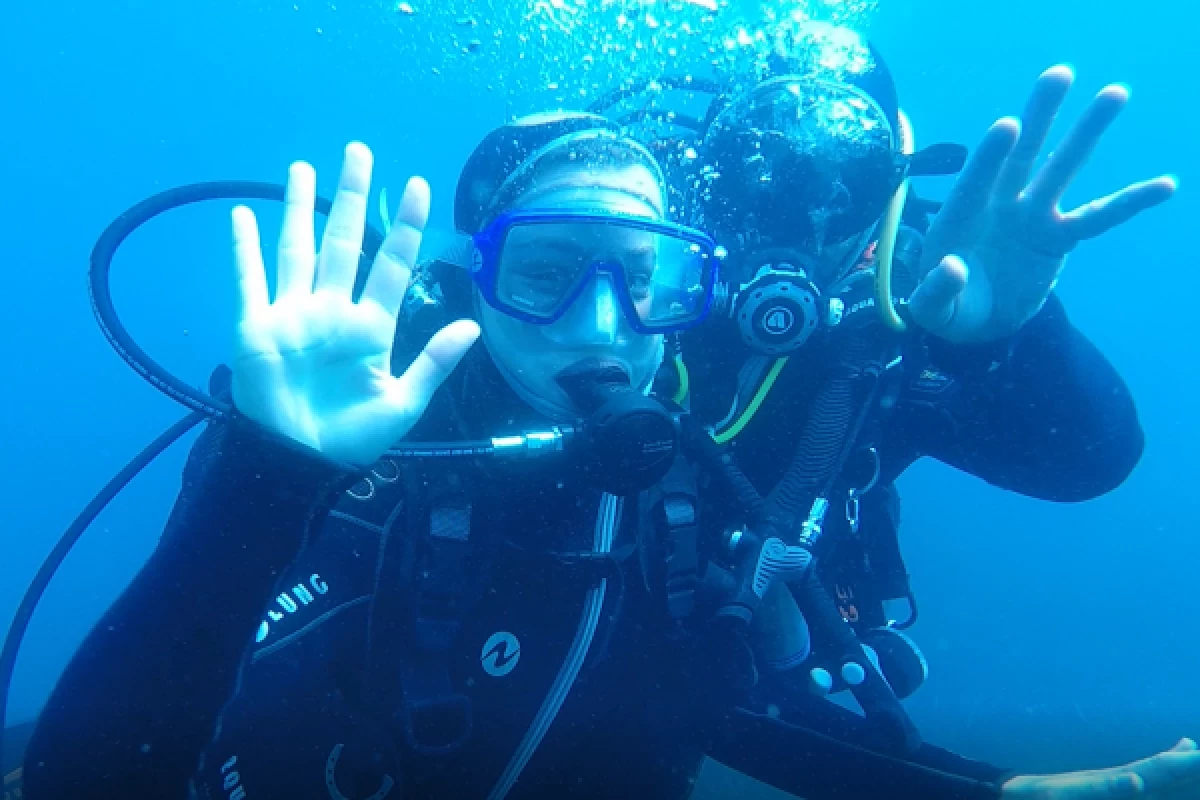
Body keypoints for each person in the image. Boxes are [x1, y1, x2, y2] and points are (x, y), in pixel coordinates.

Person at [17, 111, 1198, 800]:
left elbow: (720, 703)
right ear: (470, 282)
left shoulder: (690, 476)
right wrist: (269, 469)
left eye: (646, 280)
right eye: (545, 273)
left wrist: (982, 792)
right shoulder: (363, 449)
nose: (599, 327)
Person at [638, 24, 1198, 800]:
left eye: (849, 183)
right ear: (707, 178)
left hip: (754, 652)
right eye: (763, 177)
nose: (810, 224)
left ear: (894, 191)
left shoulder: (918, 309)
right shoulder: (625, 295)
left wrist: (1013, 333)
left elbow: (1090, 461)